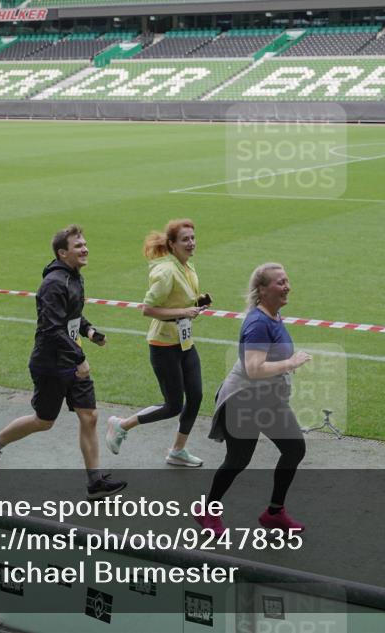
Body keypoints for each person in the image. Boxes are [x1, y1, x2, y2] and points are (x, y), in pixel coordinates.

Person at [0, 225, 125, 499]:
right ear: (62, 253)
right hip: (51, 364)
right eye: (78, 246)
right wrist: (80, 358)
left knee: (89, 416)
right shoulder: (53, 284)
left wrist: (89, 331)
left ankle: (95, 482)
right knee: (44, 421)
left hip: (70, 358)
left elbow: (71, 317)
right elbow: (52, 329)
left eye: (85, 244)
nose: (85, 249)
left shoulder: (74, 277)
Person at [196, 263, 312, 537]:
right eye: (280, 282)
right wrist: (290, 362)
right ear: (262, 290)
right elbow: (253, 368)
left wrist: (285, 364)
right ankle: (207, 510)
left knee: (294, 449)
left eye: (287, 281)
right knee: (238, 459)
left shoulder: (274, 314)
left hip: (267, 401)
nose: (287, 286)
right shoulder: (259, 323)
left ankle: (274, 512)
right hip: (243, 401)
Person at [105, 219, 209, 468]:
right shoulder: (165, 272)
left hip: (184, 343)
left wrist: (197, 302)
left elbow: (179, 303)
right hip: (163, 346)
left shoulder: (187, 267)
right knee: (174, 405)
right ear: (172, 244)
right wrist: (184, 311)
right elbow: (148, 309)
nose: (191, 243)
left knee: (195, 397)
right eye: (185, 239)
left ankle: (177, 450)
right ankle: (121, 424)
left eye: (193, 238)